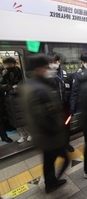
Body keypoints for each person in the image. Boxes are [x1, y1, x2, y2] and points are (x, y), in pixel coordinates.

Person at [22, 54, 69, 193]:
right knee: (66, 159)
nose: (49, 69)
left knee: (48, 161)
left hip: (41, 136)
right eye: (46, 67)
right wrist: (58, 128)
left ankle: (51, 183)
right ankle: (52, 183)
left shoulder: (29, 84)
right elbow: (44, 118)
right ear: (38, 69)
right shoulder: (40, 89)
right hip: (50, 136)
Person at [48, 52, 74, 152]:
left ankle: (66, 144)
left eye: (54, 61)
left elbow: (71, 91)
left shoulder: (65, 74)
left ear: (59, 62)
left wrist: (72, 106)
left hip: (65, 107)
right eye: (50, 62)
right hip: (52, 109)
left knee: (66, 126)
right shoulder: (46, 76)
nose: (53, 64)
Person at [0, 57, 23, 143]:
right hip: (10, 99)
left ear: (15, 63)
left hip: (19, 97)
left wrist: (9, 89)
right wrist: (10, 87)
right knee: (14, 117)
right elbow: (1, 86)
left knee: (22, 116)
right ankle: (22, 134)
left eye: (9, 64)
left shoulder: (21, 72)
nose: (8, 66)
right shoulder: (5, 74)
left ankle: (28, 134)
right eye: (6, 64)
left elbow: (21, 85)